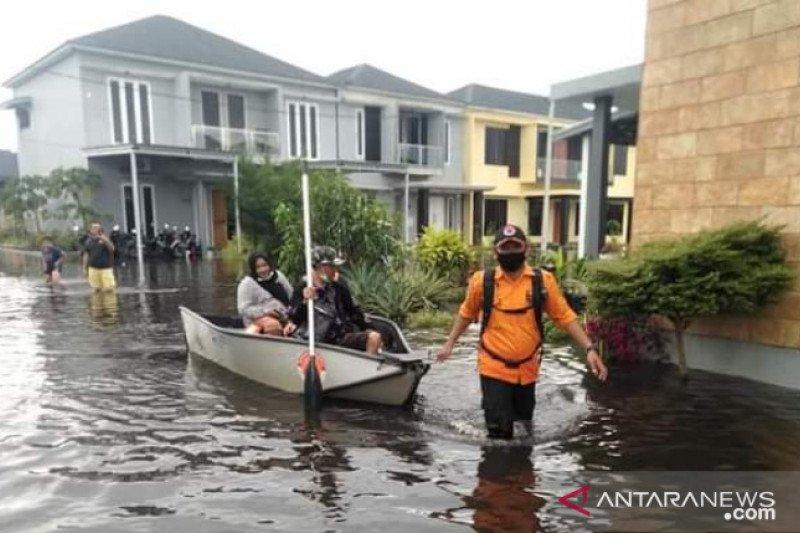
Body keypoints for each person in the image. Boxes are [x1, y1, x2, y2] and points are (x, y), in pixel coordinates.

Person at [436, 224, 608, 440]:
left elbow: (564, 316)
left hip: (528, 369)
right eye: (504, 247)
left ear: (526, 248)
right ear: (495, 252)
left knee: (525, 430)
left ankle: (522, 473)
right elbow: (466, 313)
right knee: (499, 434)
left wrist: (590, 349)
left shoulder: (542, 281)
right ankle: (493, 472)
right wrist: (449, 344)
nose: (510, 252)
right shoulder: (483, 281)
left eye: (515, 246)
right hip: (493, 366)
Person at [284, 245, 382, 354]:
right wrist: (305, 302)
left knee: (374, 337)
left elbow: (353, 311)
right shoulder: (302, 288)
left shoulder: (339, 287)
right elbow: (293, 318)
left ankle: (366, 368)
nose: (336, 270)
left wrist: (369, 327)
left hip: (340, 338)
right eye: (332, 266)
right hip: (315, 342)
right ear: (321, 267)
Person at [237, 252, 293, 335]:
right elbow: (243, 309)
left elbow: (291, 296)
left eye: (265, 265)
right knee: (273, 326)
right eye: (258, 267)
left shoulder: (279, 276)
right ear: (253, 268)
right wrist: (265, 312)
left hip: (283, 316)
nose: (262, 269)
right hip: (258, 319)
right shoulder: (247, 284)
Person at [82, 222, 116, 292]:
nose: (95, 229)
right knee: (96, 289)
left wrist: (105, 240)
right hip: (93, 268)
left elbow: (112, 248)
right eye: (93, 228)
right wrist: (84, 268)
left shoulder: (104, 239)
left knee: (109, 289)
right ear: (90, 230)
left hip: (106, 268)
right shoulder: (88, 241)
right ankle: (97, 302)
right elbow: (86, 255)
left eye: (97, 228)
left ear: (100, 229)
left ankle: (109, 302)